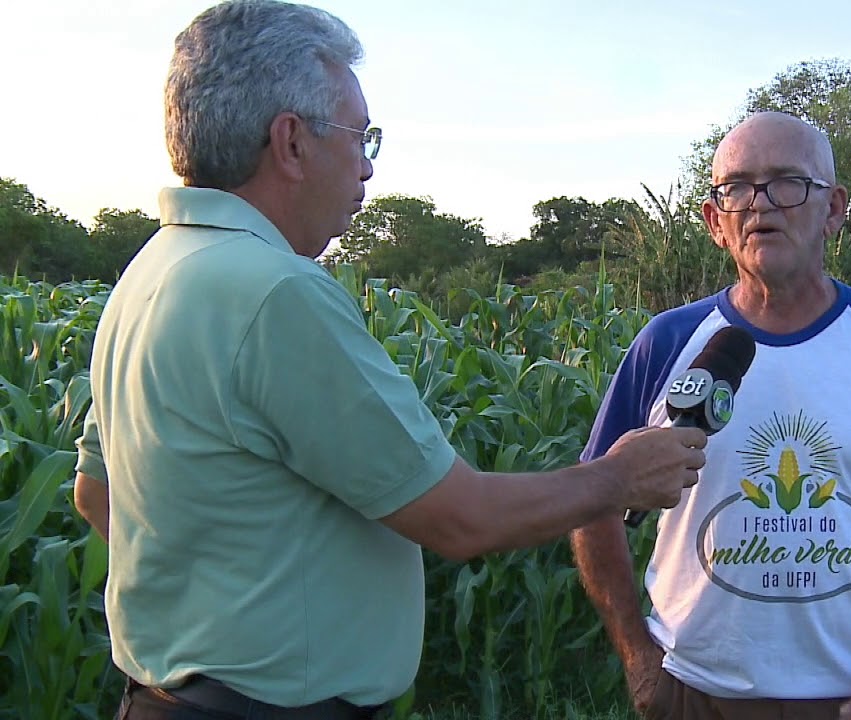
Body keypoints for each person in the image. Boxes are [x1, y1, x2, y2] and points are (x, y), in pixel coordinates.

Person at [70, 2, 707, 718]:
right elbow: (461, 519)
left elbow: (94, 493)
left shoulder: (152, 272)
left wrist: (210, 600)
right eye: (360, 136)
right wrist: (617, 477)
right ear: (291, 142)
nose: (367, 166)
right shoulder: (275, 292)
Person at [569, 111, 851, 720]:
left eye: (787, 183)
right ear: (715, 221)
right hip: (696, 696)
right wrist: (638, 658)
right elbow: (591, 502)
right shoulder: (667, 343)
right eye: (737, 188)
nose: (760, 205)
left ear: (834, 209)